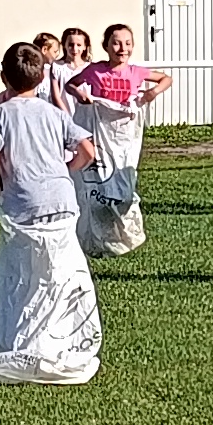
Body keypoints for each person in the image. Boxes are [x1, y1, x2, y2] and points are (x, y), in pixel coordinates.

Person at [0, 40, 103, 385]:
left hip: (23, 205)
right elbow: (87, 151)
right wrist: (64, 171)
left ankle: (23, 346)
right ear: (43, 77)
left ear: (3, 77)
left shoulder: (1, 113)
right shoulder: (54, 113)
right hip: (62, 203)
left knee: (24, 277)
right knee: (58, 275)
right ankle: (58, 342)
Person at [64, 24, 164, 257]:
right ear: (106, 46)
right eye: (117, 43)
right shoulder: (96, 71)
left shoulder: (136, 72)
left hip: (126, 139)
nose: (122, 48)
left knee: (123, 185)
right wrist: (81, 94)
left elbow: (165, 79)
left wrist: (152, 93)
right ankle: (96, 236)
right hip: (101, 135)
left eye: (128, 43)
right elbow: (71, 85)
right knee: (99, 183)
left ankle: (123, 234)